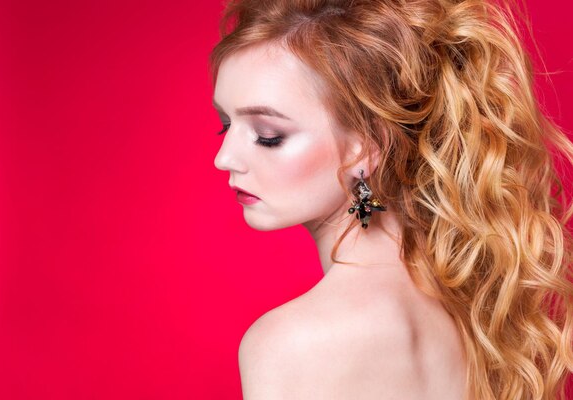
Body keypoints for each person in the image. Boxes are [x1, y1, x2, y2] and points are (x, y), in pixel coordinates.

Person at [209, 0, 573, 399]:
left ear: (365, 148)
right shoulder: (475, 313)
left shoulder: (288, 343)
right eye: (226, 125)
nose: (224, 157)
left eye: (267, 135)